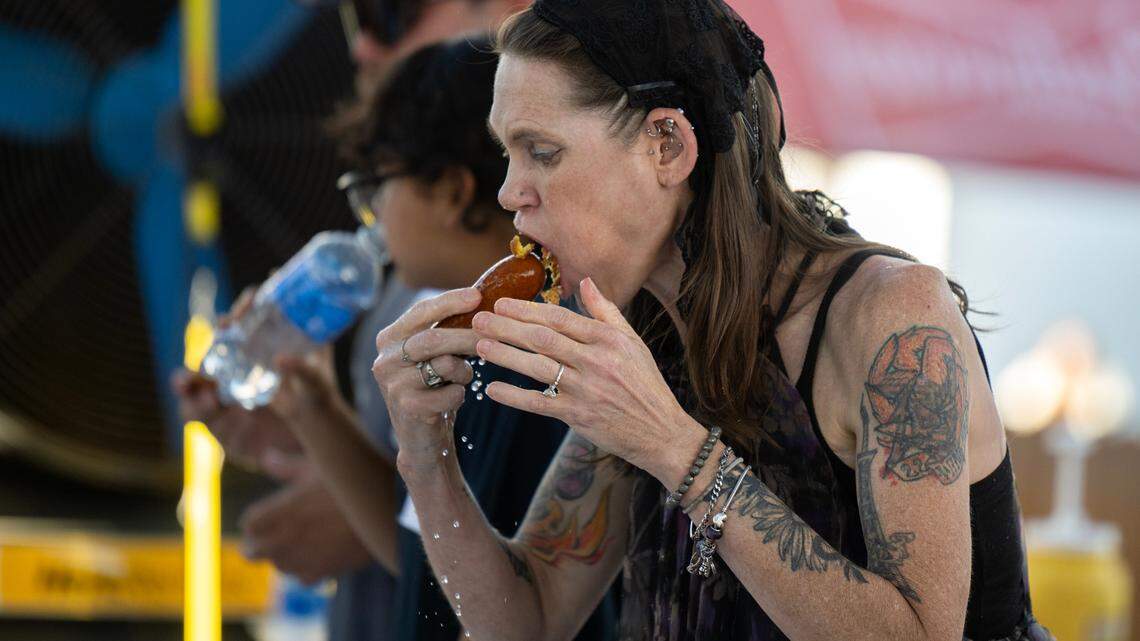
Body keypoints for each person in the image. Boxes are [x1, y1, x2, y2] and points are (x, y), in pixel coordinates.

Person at [292, 1, 1055, 640]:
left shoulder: (892, 318)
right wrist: (426, 457)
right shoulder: (644, 334)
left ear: (668, 146)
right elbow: (527, 620)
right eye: (507, 155)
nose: (508, 193)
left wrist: (674, 447)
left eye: (541, 152)